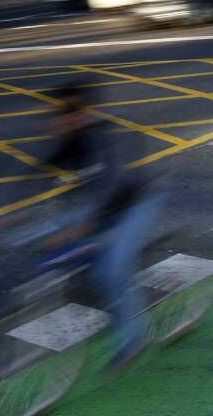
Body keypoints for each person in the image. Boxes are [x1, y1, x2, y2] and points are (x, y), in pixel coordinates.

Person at [47, 82, 157, 372]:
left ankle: (134, 340)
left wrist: (85, 226)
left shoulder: (105, 138)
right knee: (59, 233)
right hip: (100, 205)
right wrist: (14, 212)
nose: (62, 119)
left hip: (135, 204)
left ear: (86, 111)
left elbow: (115, 188)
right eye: (58, 113)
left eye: (70, 111)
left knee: (112, 273)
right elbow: (36, 170)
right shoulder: (71, 139)